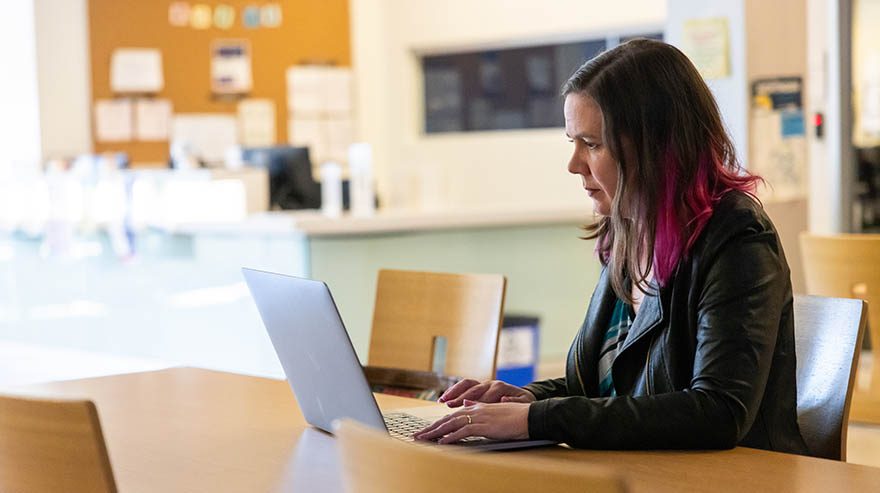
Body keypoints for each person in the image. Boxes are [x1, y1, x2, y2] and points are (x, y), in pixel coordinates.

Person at [414, 39, 809, 454]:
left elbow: (718, 411)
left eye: (593, 144)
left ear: (658, 146)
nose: (574, 164)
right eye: (573, 142)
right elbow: (608, 386)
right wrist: (526, 399)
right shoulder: (627, 233)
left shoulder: (738, 236)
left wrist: (538, 419)